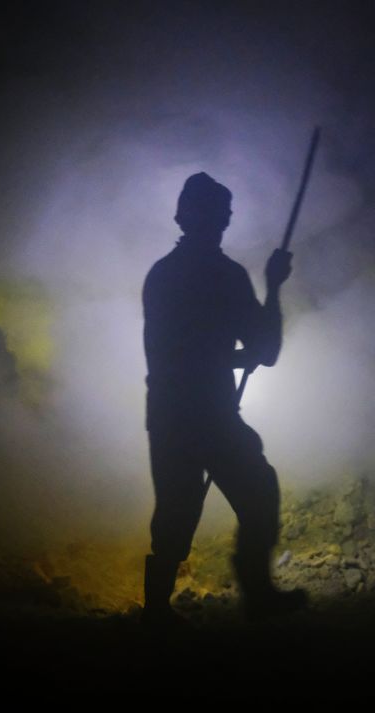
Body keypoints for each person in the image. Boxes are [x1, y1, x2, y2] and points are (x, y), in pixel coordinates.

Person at [141, 172, 308, 628]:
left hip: (183, 413)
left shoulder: (169, 275)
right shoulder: (215, 277)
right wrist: (273, 288)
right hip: (196, 414)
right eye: (216, 213)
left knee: (222, 499)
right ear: (205, 218)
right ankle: (165, 609)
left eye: (221, 214)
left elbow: (254, 353)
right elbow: (260, 351)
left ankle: (173, 608)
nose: (220, 221)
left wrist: (269, 294)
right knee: (202, 506)